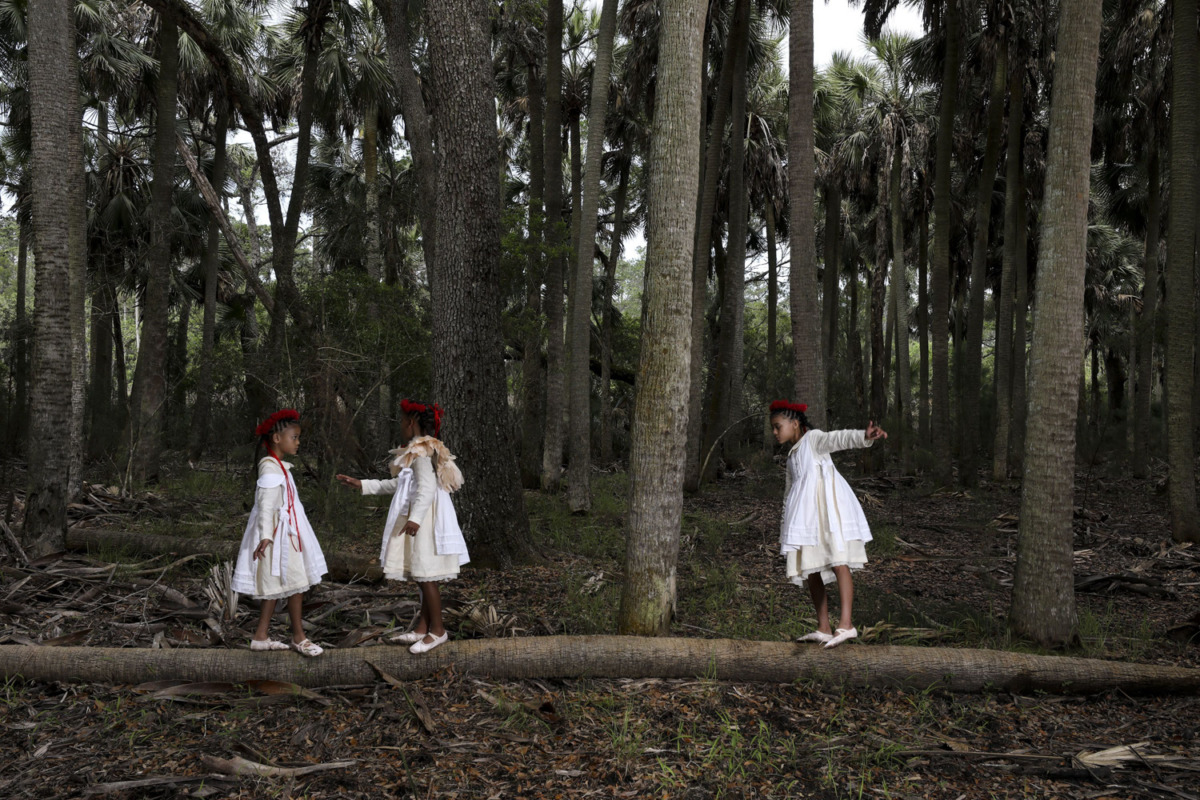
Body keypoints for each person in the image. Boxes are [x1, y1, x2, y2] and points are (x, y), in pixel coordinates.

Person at [336, 399, 468, 654]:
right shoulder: (418, 450)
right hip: (421, 514)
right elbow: (401, 485)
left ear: (410, 422)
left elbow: (428, 488)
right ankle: (423, 626)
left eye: (401, 421)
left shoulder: (421, 450)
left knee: (426, 575)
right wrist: (363, 484)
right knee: (422, 574)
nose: (400, 426)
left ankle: (438, 631)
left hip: (427, 518)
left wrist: (416, 519)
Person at [770, 400, 887, 649]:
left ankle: (846, 624)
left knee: (838, 561)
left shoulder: (813, 440)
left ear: (795, 423)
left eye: (778, 426)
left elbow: (838, 439)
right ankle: (823, 627)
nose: (775, 432)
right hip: (807, 520)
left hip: (828, 514)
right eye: (773, 428)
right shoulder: (791, 457)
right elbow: (788, 496)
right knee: (811, 569)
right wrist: (785, 529)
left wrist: (863, 436)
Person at [232, 409, 329, 656]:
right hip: (277, 537)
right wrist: (266, 536)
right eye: (294, 437)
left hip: (286, 534)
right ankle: (299, 637)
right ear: (277, 438)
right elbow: (265, 505)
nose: (297, 442)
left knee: (280, 586)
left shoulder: (279, 467)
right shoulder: (270, 468)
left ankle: (261, 636)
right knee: (296, 584)